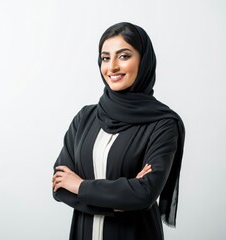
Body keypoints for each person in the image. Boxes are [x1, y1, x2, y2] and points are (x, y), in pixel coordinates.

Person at [52, 22, 185, 240]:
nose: (111, 67)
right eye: (105, 58)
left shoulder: (162, 124)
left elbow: (144, 194)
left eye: (123, 56)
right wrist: (120, 202)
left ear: (144, 61)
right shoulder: (85, 118)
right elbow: (60, 186)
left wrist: (80, 186)